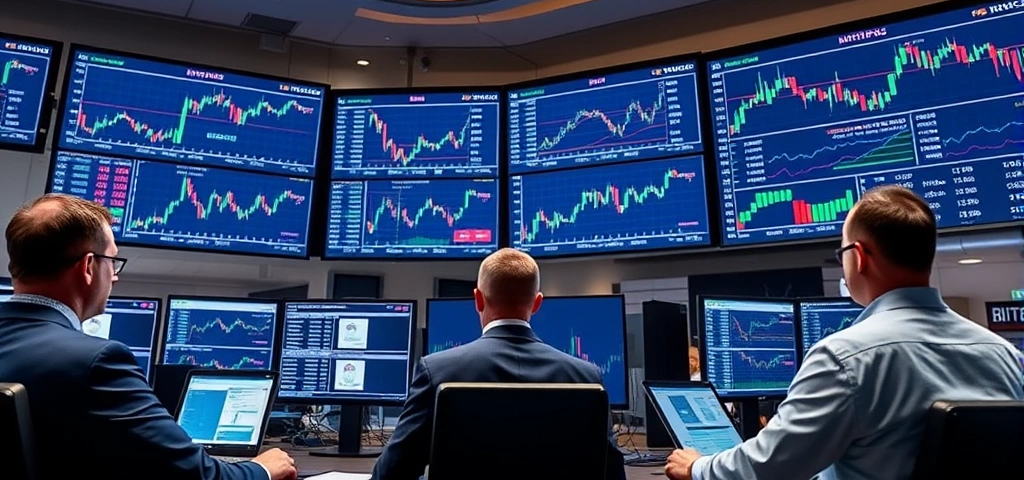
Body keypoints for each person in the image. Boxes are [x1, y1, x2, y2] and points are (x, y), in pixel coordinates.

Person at [665, 185, 1024, 480]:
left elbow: (768, 467)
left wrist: (698, 467)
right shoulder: (1006, 356)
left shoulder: (845, 358)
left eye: (842, 253)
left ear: (859, 256)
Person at [0, 194, 298, 480]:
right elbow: (198, 475)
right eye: (112, 261)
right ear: (89, 266)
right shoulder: (95, 362)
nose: (115, 276)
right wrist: (263, 468)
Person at [371, 247, 625, 480]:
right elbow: (613, 475)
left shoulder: (436, 371)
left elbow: (390, 474)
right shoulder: (586, 377)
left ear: (478, 299)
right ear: (537, 303)